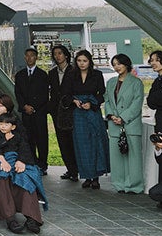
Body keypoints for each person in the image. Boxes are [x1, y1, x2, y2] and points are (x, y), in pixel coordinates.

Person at [0, 113, 46, 234]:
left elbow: (24, 149)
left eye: (6, 124)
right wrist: (3, 154)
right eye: (1, 124)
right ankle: (10, 219)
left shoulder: (18, 136)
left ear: (13, 126)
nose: (3, 126)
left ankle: (31, 218)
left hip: (16, 161)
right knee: (1, 180)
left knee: (25, 179)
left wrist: (21, 161)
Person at [104, 54, 146, 193]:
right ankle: (119, 184)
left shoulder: (136, 82)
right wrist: (111, 115)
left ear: (126, 64)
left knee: (133, 157)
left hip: (130, 124)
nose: (117, 67)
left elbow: (137, 103)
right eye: (114, 64)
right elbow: (107, 101)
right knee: (116, 157)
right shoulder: (111, 82)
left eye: (119, 64)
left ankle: (134, 185)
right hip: (114, 124)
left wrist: (123, 117)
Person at [69, 49, 109, 189]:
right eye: (79, 61)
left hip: (93, 111)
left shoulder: (97, 74)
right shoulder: (71, 75)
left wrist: (91, 104)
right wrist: (74, 101)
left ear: (89, 61)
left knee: (95, 142)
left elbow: (102, 93)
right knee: (81, 144)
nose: (82, 63)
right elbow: (66, 93)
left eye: (85, 61)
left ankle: (96, 177)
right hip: (78, 113)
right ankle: (86, 176)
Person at [13, 47, 51, 173]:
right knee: (28, 138)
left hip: (39, 112)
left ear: (36, 58)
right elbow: (18, 93)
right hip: (26, 113)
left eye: (32, 55)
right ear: (25, 58)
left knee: (42, 138)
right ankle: (32, 162)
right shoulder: (20, 75)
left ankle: (43, 164)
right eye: (27, 56)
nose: (29, 58)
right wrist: (25, 106)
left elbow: (44, 94)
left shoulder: (42, 75)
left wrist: (34, 107)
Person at [48, 45, 78, 181]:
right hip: (57, 111)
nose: (57, 56)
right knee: (62, 140)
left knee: (73, 140)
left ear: (66, 55)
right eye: (55, 54)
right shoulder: (52, 73)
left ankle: (77, 168)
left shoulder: (74, 71)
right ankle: (70, 169)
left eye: (60, 53)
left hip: (71, 109)